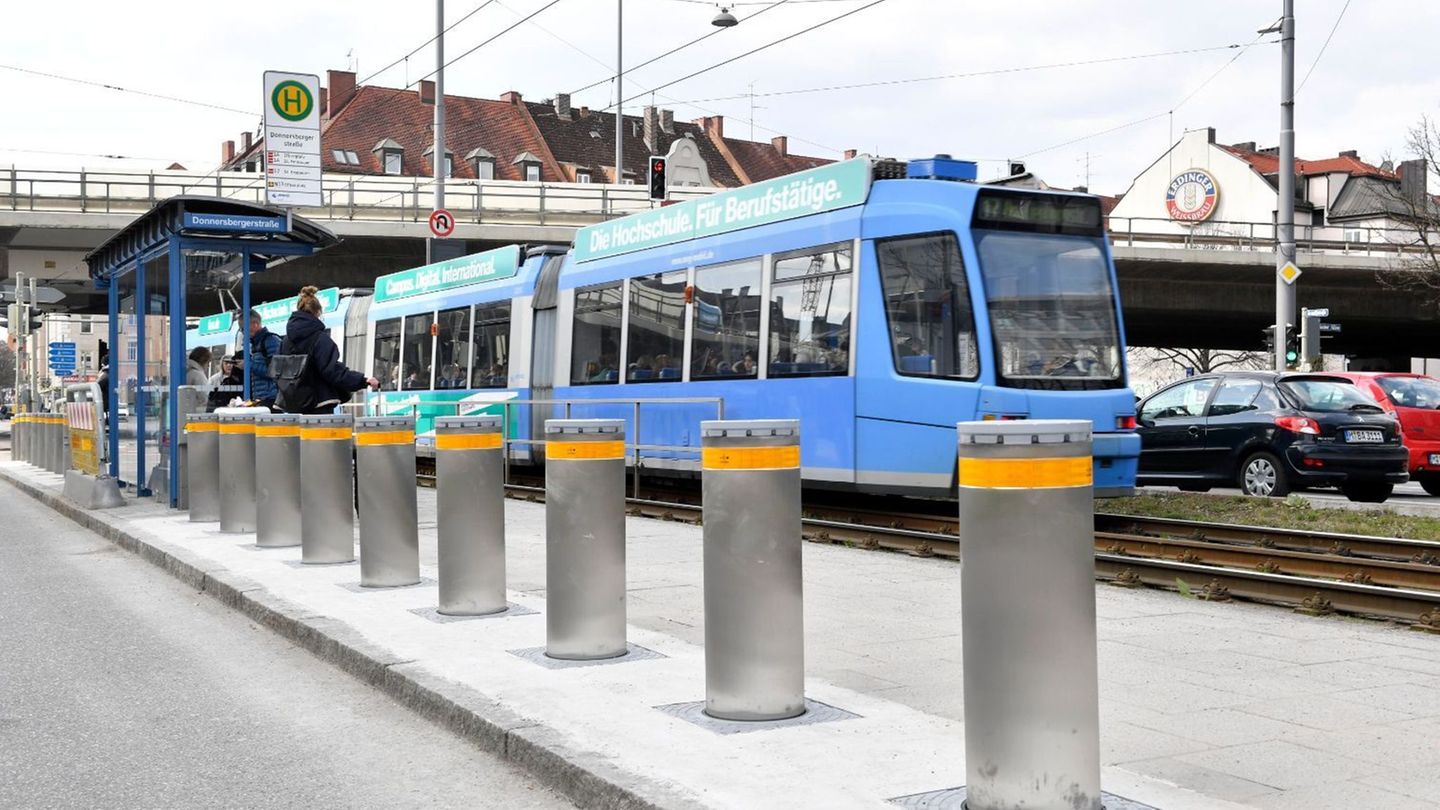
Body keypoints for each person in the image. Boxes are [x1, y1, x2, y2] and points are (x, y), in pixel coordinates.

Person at [277, 286, 379, 414]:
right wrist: (362, 380)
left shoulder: (285, 341)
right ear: (318, 312)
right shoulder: (320, 339)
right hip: (318, 406)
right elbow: (332, 372)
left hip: (291, 407)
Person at [247, 310, 281, 409]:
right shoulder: (254, 344)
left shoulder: (271, 341)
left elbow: (275, 372)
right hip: (262, 398)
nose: (243, 332)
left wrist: (249, 365)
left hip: (271, 399)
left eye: (244, 328)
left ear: (255, 324)